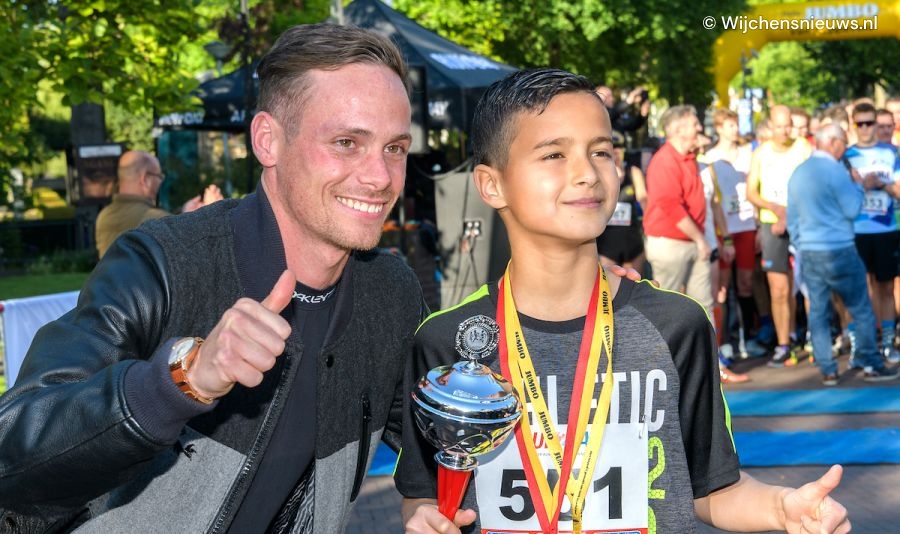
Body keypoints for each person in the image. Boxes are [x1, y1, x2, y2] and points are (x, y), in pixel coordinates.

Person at [0, 23, 427, 533]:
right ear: (268, 141)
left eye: (395, 148)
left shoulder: (390, 292)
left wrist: (424, 498)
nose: (380, 177)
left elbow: (431, 429)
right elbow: (15, 447)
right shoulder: (161, 263)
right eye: (346, 142)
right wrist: (181, 380)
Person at [396, 67, 850, 534]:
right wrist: (423, 519)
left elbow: (714, 489)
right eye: (554, 154)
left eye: (601, 151)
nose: (587, 173)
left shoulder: (677, 324)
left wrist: (781, 508)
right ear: (492, 184)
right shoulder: (448, 342)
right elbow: (422, 495)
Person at [787, 122, 899, 385]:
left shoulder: (799, 172)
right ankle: (870, 363)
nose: (844, 149)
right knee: (860, 307)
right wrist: (859, 186)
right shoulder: (836, 171)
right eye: (843, 143)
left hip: (811, 250)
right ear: (833, 142)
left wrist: (802, 244)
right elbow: (852, 209)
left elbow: (792, 217)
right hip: (839, 247)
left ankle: (828, 369)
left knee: (818, 311)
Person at [746, 104, 812, 367]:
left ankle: (811, 337)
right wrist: (774, 209)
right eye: (780, 126)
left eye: (788, 126)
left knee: (809, 285)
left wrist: (789, 214)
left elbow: (812, 187)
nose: (785, 131)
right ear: (770, 126)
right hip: (772, 225)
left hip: (800, 223)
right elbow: (751, 192)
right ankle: (784, 344)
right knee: (779, 289)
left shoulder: (803, 148)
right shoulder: (760, 153)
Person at [643, 105, 713, 315]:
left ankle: (707, 339)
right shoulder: (664, 161)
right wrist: (700, 239)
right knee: (669, 310)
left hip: (693, 240)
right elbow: (671, 207)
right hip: (671, 245)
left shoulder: (688, 157)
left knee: (703, 305)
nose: (699, 128)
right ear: (678, 130)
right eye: (694, 124)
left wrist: (699, 240)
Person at [845, 102, 900, 364]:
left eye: (870, 123)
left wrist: (881, 184)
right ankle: (860, 345)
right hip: (856, 230)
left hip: (885, 229)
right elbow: (839, 196)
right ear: (853, 125)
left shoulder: (891, 153)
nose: (866, 128)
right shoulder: (846, 155)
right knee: (857, 290)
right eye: (861, 124)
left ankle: (887, 343)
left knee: (885, 287)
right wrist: (859, 186)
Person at [94, 150, 224, 257]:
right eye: (159, 176)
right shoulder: (155, 220)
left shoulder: (104, 217)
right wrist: (212, 212)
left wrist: (184, 214)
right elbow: (200, 253)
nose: (160, 182)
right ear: (145, 180)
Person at [595, 130, 647, 274]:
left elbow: (644, 200)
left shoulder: (633, 172)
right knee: (608, 286)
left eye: (619, 149)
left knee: (635, 284)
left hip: (633, 241)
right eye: (610, 149)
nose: (615, 153)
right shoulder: (597, 174)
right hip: (607, 244)